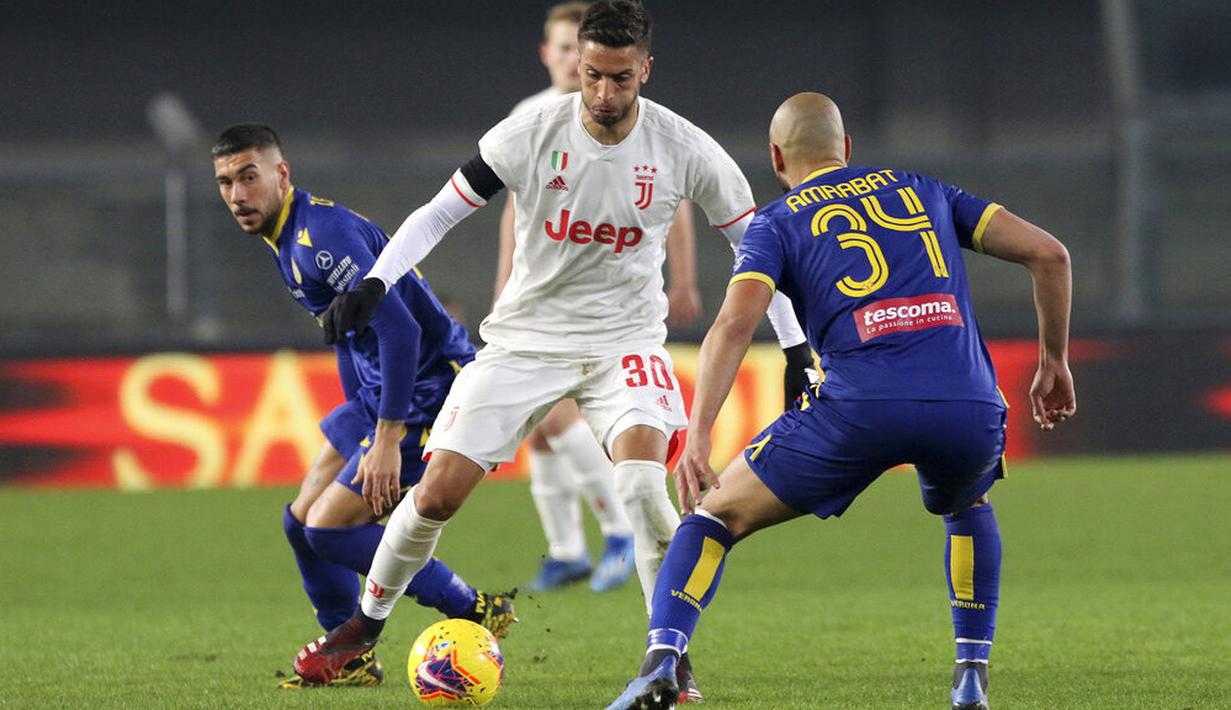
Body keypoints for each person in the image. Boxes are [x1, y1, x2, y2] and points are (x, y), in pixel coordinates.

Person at [292, 2, 812, 700]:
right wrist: (379, 280)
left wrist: (797, 346)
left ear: (645, 71)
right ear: (577, 65)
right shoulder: (532, 130)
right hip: (523, 342)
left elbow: (759, 250)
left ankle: (667, 656)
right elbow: (442, 209)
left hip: (624, 341)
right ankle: (365, 624)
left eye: (619, 79)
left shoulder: (686, 148)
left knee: (639, 486)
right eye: (591, 75)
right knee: (436, 493)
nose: (602, 94)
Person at [605, 92, 1076, 710]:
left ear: (776, 157)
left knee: (713, 517)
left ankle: (662, 664)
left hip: (860, 409)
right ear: (846, 149)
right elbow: (1050, 254)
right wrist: (1053, 360)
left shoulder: (777, 221)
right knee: (968, 505)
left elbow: (732, 326)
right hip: (968, 405)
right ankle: (970, 679)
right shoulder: (924, 189)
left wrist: (698, 435)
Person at [210, 124, 516, 688]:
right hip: (385, 392)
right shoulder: (287, 238)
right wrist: (361, 421)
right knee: (301, 522)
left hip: (431, 391)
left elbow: (399, 330)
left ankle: (473, 607)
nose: (237, 194)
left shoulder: (321, 237)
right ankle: (350, 656)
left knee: (328, 529)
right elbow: (349, 335)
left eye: (249, 177)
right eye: (226, 181)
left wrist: (385, 438)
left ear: (282, 174)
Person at [496, 1, 703, 594]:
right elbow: (514, 215)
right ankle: (566, 549)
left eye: (575, 50)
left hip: (609, 315)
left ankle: (617, 531)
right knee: (540, 425)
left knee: (559, 417)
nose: (570, 62)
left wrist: (682, 279)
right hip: (538, 304)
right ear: (551, 56)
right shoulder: (530, 119)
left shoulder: (642, 126)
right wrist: (504, 289)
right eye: (562, 51)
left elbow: (675, 202)